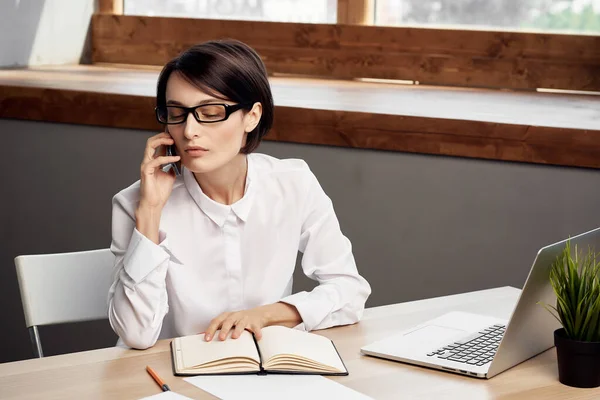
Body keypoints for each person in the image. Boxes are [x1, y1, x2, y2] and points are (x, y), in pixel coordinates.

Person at [107, 39, 371, 349]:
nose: (189, 130)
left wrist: (267, 315)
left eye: (210, 111)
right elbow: (135, 335)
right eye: (176, 113)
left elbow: (350, 291)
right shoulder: (135, 204)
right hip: (170, 377)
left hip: (264, 373)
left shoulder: (293, 183)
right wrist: (150, 213)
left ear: (252, 115)